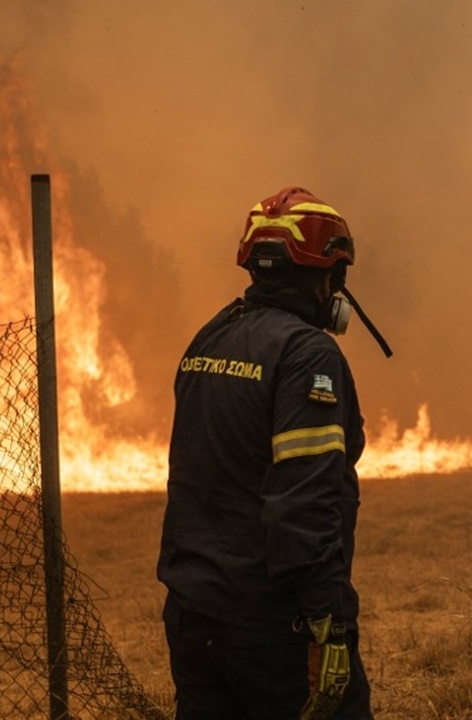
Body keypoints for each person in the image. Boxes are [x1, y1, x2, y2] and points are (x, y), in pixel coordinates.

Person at [157, 186, 373, 719]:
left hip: (193, 614)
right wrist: (328, 625)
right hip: (271, 628)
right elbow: (304, 502)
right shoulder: (308, 354)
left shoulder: (210, 337)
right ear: (330, 274)